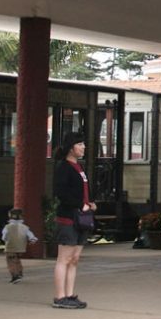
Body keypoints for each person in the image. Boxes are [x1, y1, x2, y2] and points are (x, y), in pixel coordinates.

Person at [51, 132, 95, 309]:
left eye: (84, 144)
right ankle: (60, 297)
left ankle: (70, 294)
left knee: (75, 258)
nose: (83, 147)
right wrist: (79, 204)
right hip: (68, 217)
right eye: (80, 144)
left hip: (82, 218)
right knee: (64, 258)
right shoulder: (63, 167)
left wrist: (90, 203)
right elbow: (61, 193)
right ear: (71, 147)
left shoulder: (80, 167)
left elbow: (82, 190)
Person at [2, 208, 37, 284]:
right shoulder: (25, 227)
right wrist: (32, 240)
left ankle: (15, 276)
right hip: (21, 247)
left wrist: (6, 240)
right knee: (17, 259)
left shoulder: (7, 227)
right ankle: (20, 273)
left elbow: (4, 237)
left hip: (10, 247)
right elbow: (31, 236)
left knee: (10, 261)